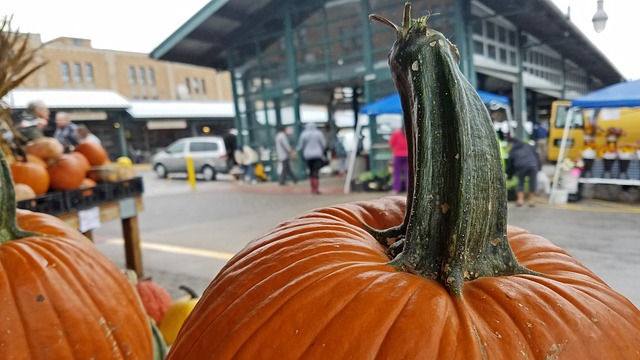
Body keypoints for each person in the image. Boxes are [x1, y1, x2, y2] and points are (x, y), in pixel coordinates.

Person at [506, 137, 541, 207]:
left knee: (520, 183)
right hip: (533, 165)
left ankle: (520, 200)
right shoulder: (527, 145)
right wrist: (539, 167)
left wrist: (509, 175)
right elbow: (536, 155)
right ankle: (531, 201)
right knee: (532, 182)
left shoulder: (513, 149)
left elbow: (510, 164)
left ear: (511, 143)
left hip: (520, 166)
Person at [297, 122, 326, 194]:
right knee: (316, 171)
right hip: (317, 155)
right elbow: (323, 144)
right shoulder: (318, 133)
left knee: (310, 171)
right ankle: (316, 188)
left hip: (308, 155)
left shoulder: (303, 134)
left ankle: (312, 188)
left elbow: (300, 146)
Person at [388, 126, 409, 194]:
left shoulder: (396, 133)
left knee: (397, 173)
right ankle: (408, 188)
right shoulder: (409, 133)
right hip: (407, 155)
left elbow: (391, 144)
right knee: (408, 173)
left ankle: (396, 189)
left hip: (398, 155)